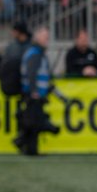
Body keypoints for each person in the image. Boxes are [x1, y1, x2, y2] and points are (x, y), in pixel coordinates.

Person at [16, 26, 60, 155]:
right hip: (34, 95)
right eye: (45, 36)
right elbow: (31, 73)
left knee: (33, 124)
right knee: (36, 123)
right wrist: (34, 91)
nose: (47, 39)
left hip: (36, 93)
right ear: (37, 37)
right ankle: (23, 143)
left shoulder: (37, 52)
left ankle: (30, 148)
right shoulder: (35, 53)